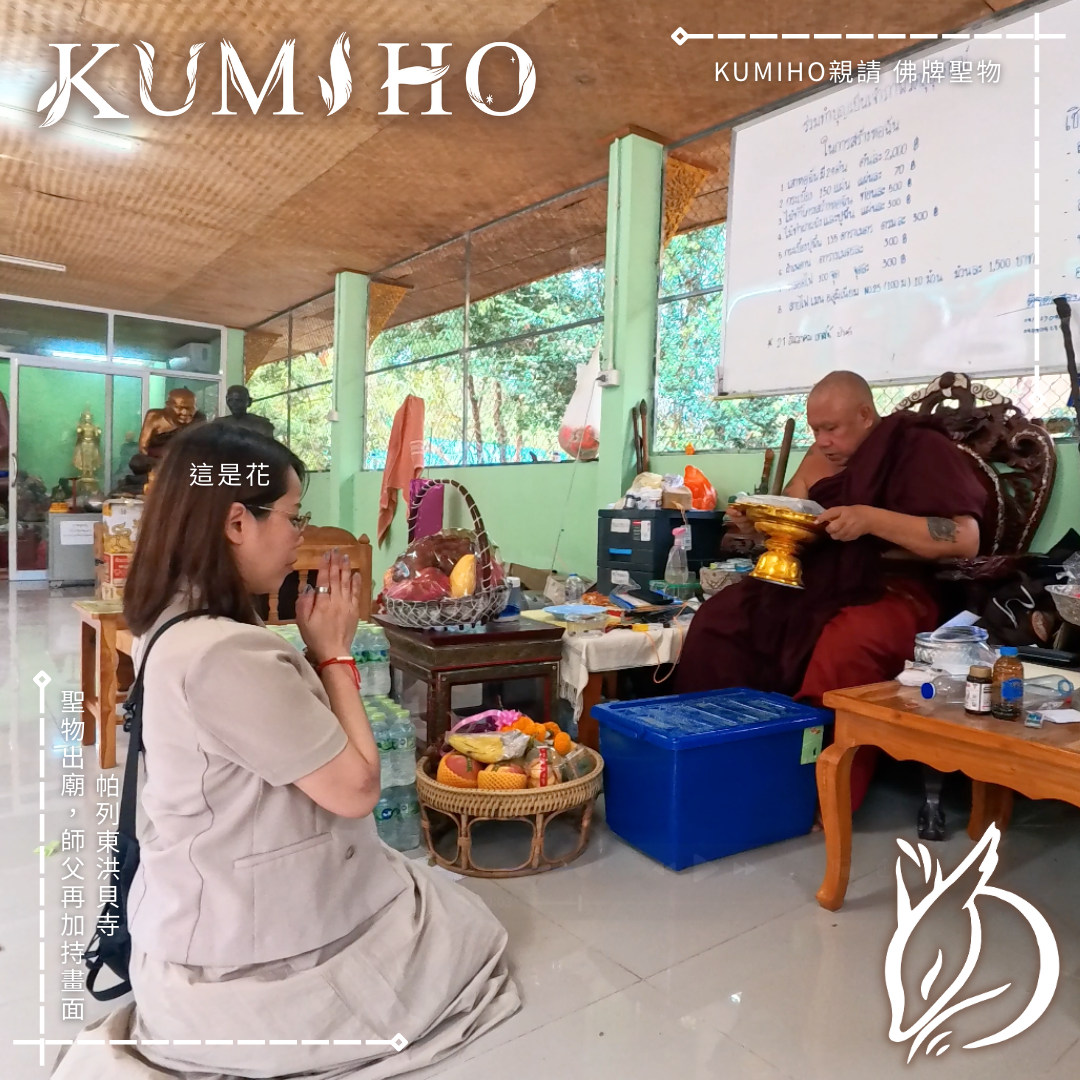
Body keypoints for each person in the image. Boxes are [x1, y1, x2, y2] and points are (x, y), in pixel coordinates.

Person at [53, 423, 519, 1079]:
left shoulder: (173, 623)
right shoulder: (225, 654)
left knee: (438, 904)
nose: (301, 535)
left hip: (210, 900)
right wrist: (332, 654)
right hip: (246, 954)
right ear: (237, 523)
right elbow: (357, 790)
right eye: (294, 516)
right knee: (465, 931)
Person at [676, 371, 988, 812]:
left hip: (894, 586)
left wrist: (871, 519)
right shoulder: (822, 458)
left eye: (831, 429)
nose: (822, 441)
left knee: (845, 643)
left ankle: (818, 792)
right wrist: (758, 523)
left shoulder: (917, 447)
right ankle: (712, 755)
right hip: (817, 579)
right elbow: (793, 515)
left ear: (865, 415)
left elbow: (963, 538)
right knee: (720, 619)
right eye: (814, 430)